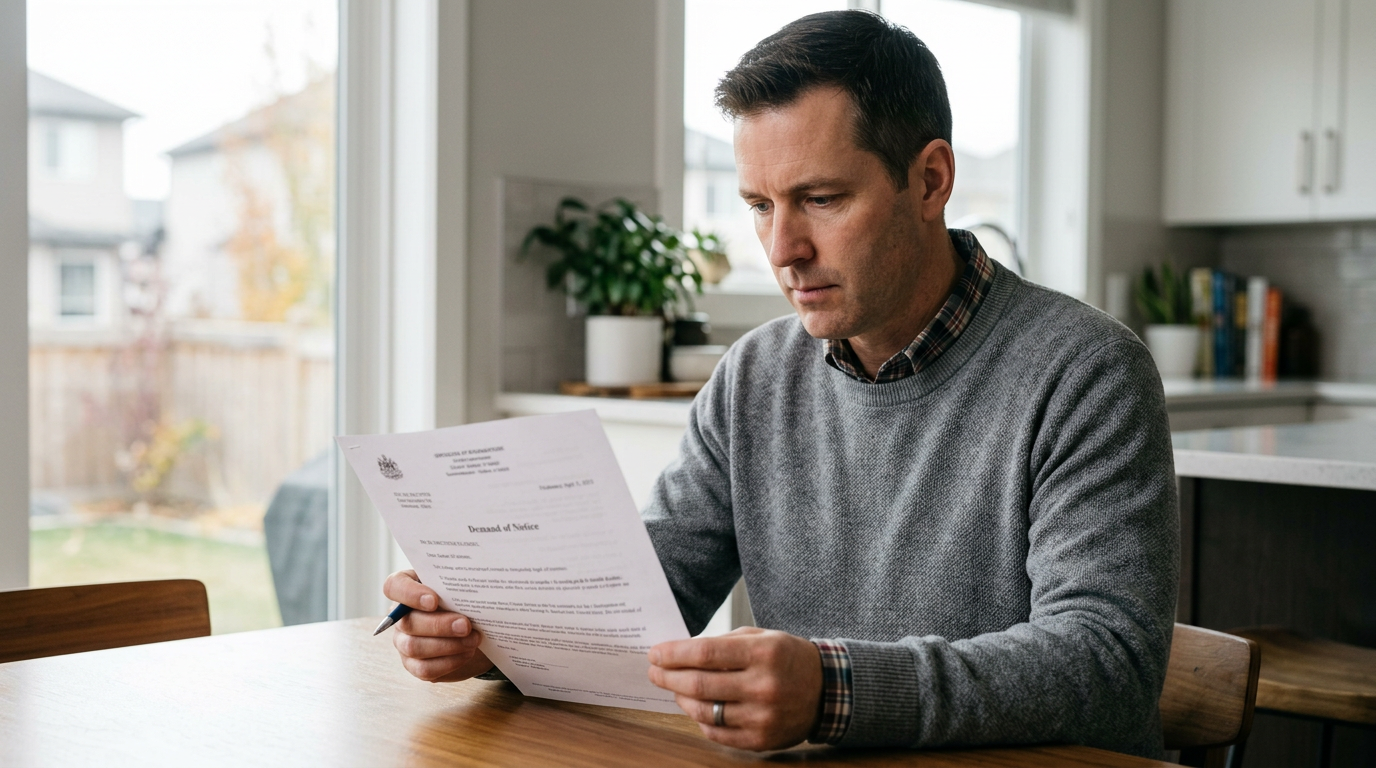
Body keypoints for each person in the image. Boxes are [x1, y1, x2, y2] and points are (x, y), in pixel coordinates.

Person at [382, 9, 1179, 759]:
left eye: (821, 199)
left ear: (930, 180)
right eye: (760, 206)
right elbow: (645, 600)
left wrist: (833, 691)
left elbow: (1107, 664)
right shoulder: (756, 375)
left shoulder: (1086, 372)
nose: (783, 247)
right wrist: (488, 631)